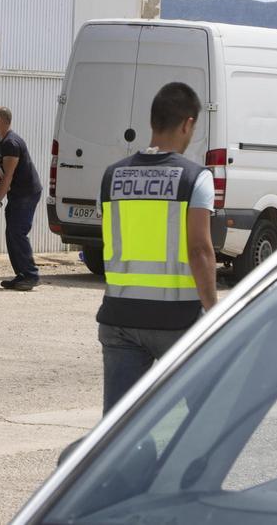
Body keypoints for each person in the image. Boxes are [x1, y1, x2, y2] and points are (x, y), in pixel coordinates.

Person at [96, 82, 218, 412]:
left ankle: (126, 466)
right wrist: (215, 311)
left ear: (152, 122)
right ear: (187, 123)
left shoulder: (112, 176)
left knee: (118, 426)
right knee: (202, 416)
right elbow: (200, 251)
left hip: (119, 316)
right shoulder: (195, 178)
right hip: (176, 319)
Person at [0, 106, 43, 291]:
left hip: (27, 192)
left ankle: (31, 275)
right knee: (11, 232)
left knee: (17, 231)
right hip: (17, 192)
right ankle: (22, 274)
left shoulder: (11, 144)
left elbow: (8, 176)